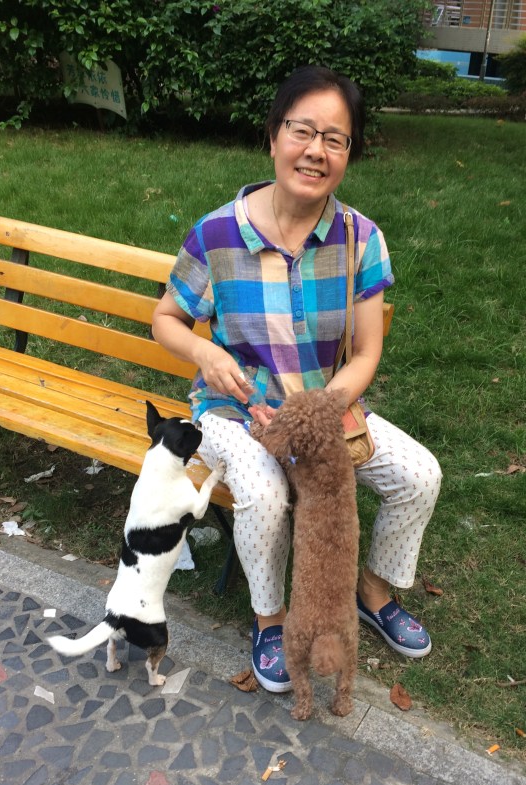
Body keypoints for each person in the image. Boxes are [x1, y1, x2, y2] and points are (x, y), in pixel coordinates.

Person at [152, 65, 442, 693]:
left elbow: (366, 354)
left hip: (323, 409)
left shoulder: (360, 238)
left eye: (335, 139)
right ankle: (270, 621)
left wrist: (316, 412)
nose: (316, 150)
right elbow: (165, 319)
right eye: (302, 131)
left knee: (420, 476)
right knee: (263, 494)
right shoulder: (217, 234)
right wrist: (204, 354)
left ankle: (372, 592)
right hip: (234, 412)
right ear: (274, 135)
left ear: (348, 154)